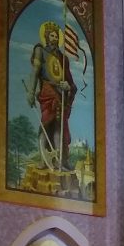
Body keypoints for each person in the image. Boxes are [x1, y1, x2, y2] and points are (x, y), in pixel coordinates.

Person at [29, 20, 78, 171]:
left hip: (60, 95)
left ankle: (59, 161)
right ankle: (44, 160)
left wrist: (67, 86)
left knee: (58, 127)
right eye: (52, 35)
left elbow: (71, 83)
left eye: (57, 36)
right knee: (45, 125)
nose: (55, 38)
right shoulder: (41, 51)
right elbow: (35, 72)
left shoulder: (63, 59)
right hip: (47, 93)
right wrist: (31, 92)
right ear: (46, 37)